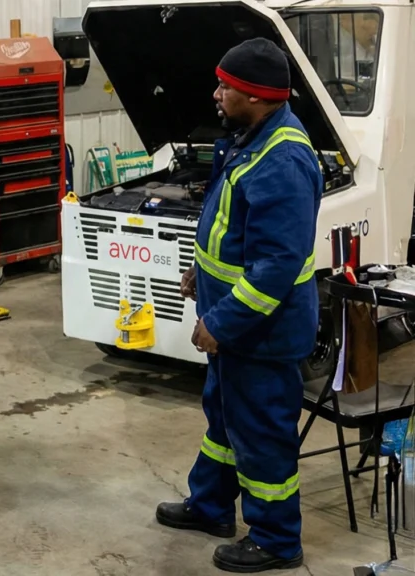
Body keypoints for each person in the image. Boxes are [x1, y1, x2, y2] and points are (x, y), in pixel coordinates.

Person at [155, 38, 323, 573]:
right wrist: (198, 273)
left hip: (261, 333)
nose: (216, 93)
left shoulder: (284, 159)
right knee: (225, 421)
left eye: (226, 86)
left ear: (255, 95)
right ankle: (210, 507)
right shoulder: (249, 138)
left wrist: (222, 322)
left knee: (262, 433)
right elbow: (234, 230)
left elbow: (275, 266)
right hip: (234, 322)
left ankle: (276, 540)